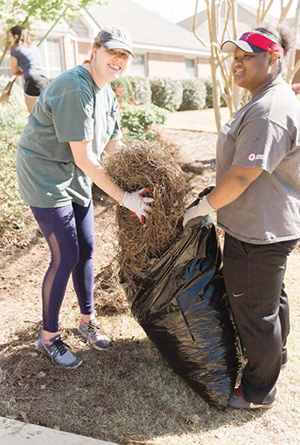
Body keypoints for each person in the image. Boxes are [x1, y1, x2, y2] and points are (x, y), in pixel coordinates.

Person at [15, 25, 154, 369]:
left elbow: (114, 148)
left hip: (74, 174)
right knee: (66, 254)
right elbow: (86, 158)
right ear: (94, 50)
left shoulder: (107, 93)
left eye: (124, 55)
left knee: (87, 248)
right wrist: (126, 199)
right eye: (112, 52)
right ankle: (47, 339)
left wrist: (136, 179)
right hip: (45, 173)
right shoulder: (76, 88)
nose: (118, 60)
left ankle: (86, 321)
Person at [183, 25, 300, 409]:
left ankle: (257, 391)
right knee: (269, 300)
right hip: (266, 223)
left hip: (258, 231)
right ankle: (275, 359)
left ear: (273, 58)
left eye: (247, 56)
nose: (237, 63)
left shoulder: (269, 108)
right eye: (235, 56)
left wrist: (206, 206)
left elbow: (243, 174)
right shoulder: (267, 98)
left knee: (254, 311)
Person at [9, 26, 49, 112]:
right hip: (44, 80)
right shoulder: (33, 47)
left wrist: (21, 72)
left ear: (16, 36)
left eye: (10, 36)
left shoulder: (15, 49)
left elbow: (14, 70)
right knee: (46, 112)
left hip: (32, 81)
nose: (9, 40)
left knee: (32, 114)